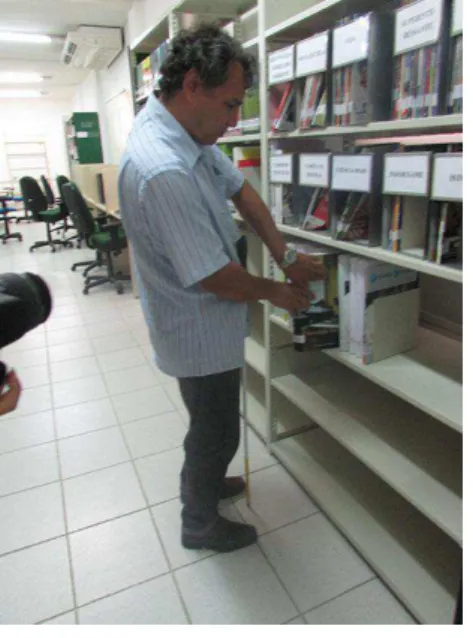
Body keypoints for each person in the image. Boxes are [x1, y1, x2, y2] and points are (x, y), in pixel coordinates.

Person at [118, 24, 324, 553]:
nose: (235, 120)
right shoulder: (163, 167)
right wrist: (276, 290)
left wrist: (287, 255)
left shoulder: (183, 132)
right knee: (216, 429)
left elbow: (243, 191)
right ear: (192, 84)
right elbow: (214, 276)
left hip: (202, 319)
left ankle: (206, 484)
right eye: (230, 104)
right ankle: (199, 522)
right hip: (196, 326)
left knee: (210, 421)